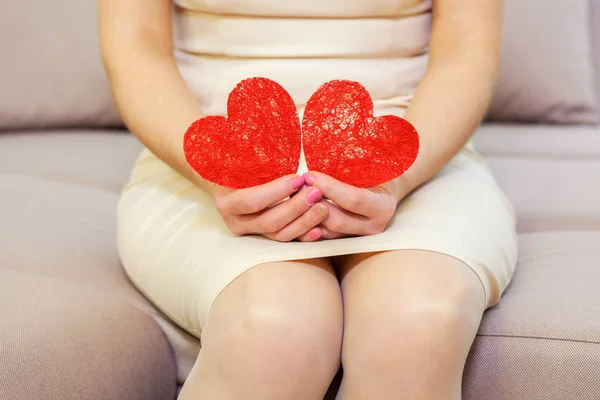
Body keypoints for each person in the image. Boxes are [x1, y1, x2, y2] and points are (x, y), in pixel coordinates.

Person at [99, 1, 517, 398]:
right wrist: (222, 172)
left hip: (419, 153)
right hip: (204, 155)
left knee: (417, 321)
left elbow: (465, 51)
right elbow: (138, 49)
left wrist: (393, 176)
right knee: (278, 330)